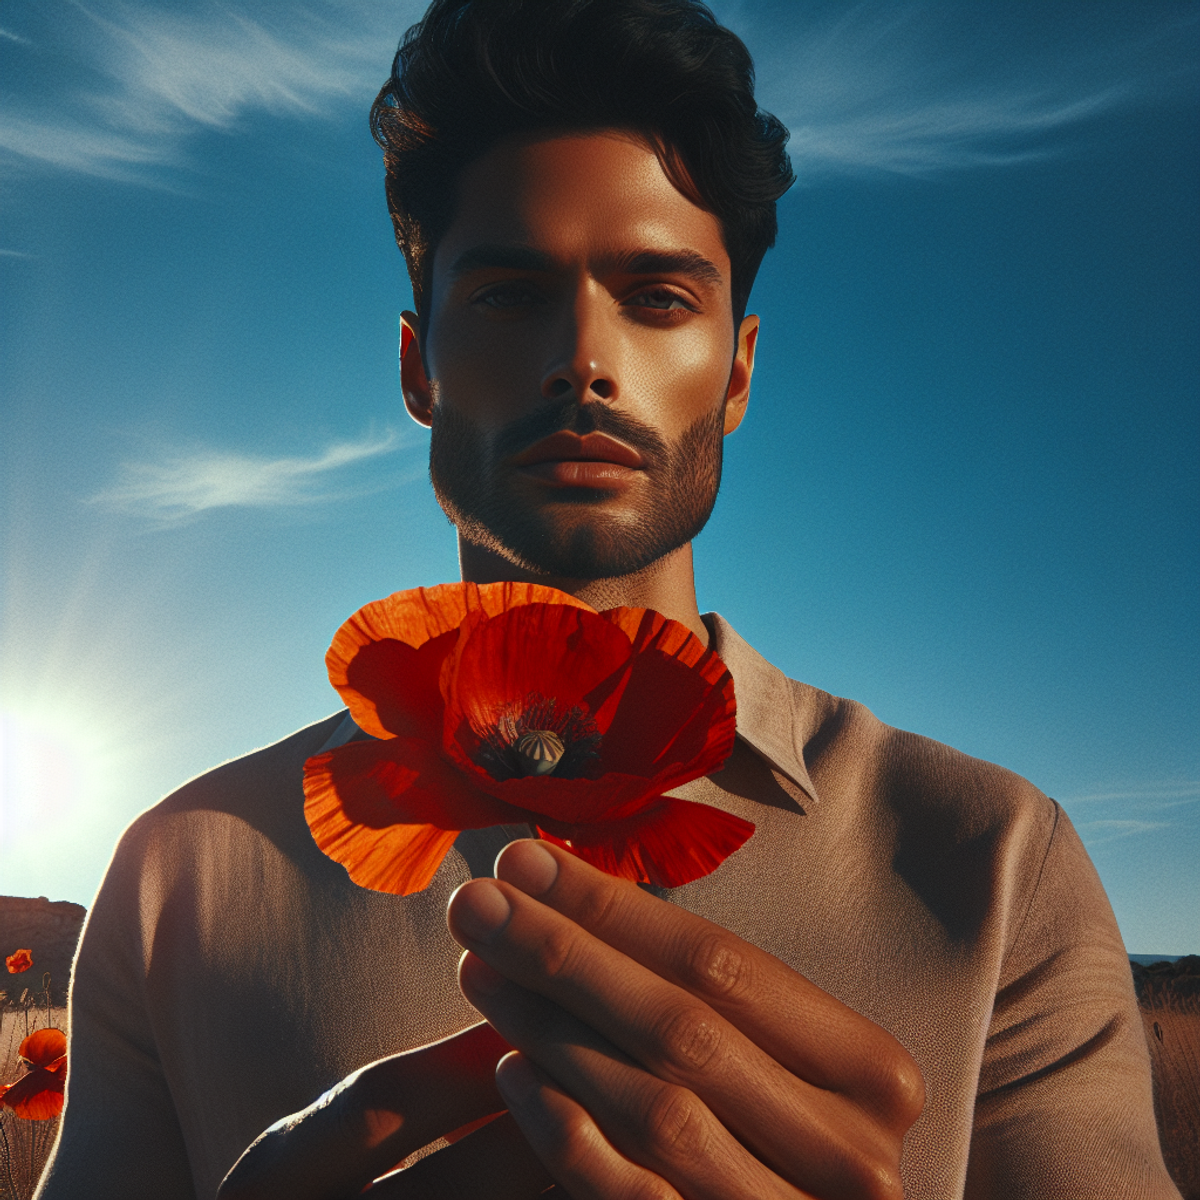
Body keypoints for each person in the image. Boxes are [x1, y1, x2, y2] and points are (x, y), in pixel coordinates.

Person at [40, 1, 1177, 1198]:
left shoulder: (994, 861)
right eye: (510, 293)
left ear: (735, 374)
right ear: (419, 366)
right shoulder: (182, 877)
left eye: (656, 296)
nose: (582, 356)